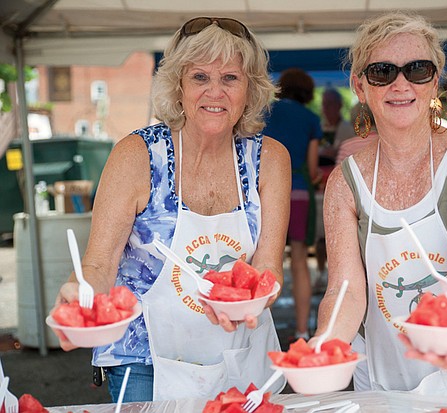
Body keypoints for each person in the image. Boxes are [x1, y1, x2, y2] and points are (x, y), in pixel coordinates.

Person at [50, 16, 290, 402]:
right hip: (144, 358)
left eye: (230, 78)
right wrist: (80, 294)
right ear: (178, 85)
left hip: (238, 353)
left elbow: (267, 267)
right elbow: (100, 264)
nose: (215, 91)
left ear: (251, 89)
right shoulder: (136, 156)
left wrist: (254, 298)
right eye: (199, 77)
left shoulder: (270, 159)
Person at [312, 10, 447, 397]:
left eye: (417, 70)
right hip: (390, 372)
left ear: (434, 82)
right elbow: (345, 291)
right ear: (360, 86)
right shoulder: (344, 182)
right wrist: (322, 349)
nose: (400, 84)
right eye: (382, 71)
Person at [262, 68, 322, 340]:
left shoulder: (265, 113)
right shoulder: (311, 119)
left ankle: (258, 330)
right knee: (299, 260)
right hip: (297, 191)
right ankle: (302, 331)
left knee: (261, 261)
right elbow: (311, 170)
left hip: (263, 194)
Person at [313, 88, 357, 293]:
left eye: (330, 104)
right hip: (319, 187)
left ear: (339, 105)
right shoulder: (318, 127)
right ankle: (322, 273)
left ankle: (337, 276)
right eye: (325, 104)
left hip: (341, 189)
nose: (327, 108)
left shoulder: (348, 128)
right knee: (320, 236)